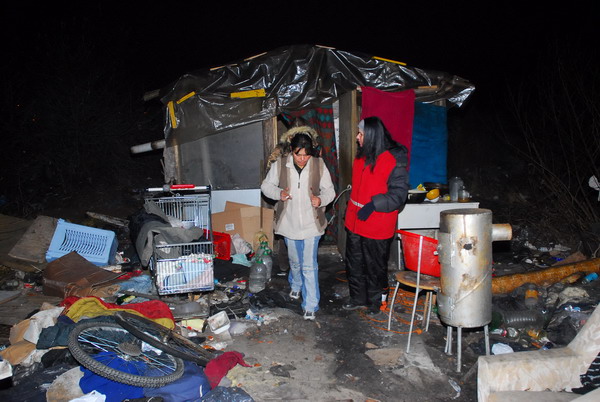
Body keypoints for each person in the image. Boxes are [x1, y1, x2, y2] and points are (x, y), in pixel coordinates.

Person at [261, 126, 335, 321]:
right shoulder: (280, 165)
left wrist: (320, 200)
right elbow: (265, 186)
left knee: (309, 266)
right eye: (298, 154)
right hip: (289, 223)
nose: (302, 159)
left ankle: (311, 304)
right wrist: (279, 193)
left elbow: (330, 191)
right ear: (291, 151)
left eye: (306, 155)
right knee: (295, 261)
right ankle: (296, 284)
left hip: (312, 224)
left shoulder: (319, 165)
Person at [343, 116, 409, 315]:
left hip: (377, 225)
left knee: (374, 266)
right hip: (355, 222)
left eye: (361, 134)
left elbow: (399, 195)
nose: (357, 137)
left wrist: (374, 204)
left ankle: (376, 303)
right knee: (354, 263)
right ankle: (358, 298)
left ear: (372, 136)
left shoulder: (392, 161)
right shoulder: (360, 158)